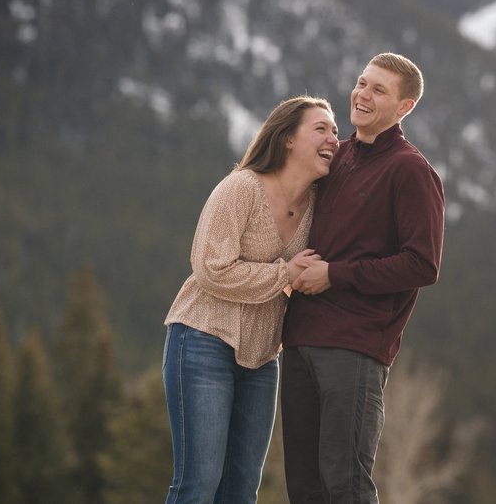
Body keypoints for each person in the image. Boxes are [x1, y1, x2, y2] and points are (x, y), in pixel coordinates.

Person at [281, 52, 446, 503]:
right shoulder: (336, 157)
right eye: (361, 82)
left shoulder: (412, 171)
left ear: (404, 107)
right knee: (304, 486)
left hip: (354, 347)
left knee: (345, 484)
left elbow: (422, 264)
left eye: (379, 89)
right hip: (299, 338)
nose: (362, 94)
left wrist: (334, 274)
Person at [162, 95, 339, 504]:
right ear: (289, 139)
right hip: (203, 339)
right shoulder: (241, 187)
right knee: (198, 484)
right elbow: (210, 267)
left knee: (242, 491)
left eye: (335, 130)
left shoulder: (317, 207)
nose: (334, 137)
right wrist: (285, 274)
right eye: (322, 128)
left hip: (262, 359)